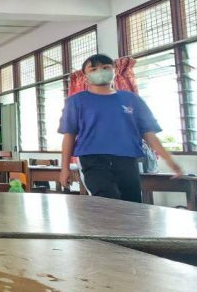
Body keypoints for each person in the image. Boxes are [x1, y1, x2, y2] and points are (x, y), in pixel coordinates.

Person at [58, 53, 182, 202]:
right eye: (94, 69)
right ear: (85, 76)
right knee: (107, 201)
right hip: (93, 160)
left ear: (114, 71)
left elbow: (148, 133)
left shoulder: (131, 99)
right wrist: (64, 168)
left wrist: (169, 160)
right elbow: (69, 135)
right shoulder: (76, 101)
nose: (100, 71)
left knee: (131, 204)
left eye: (105, 67)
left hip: (127, 159)